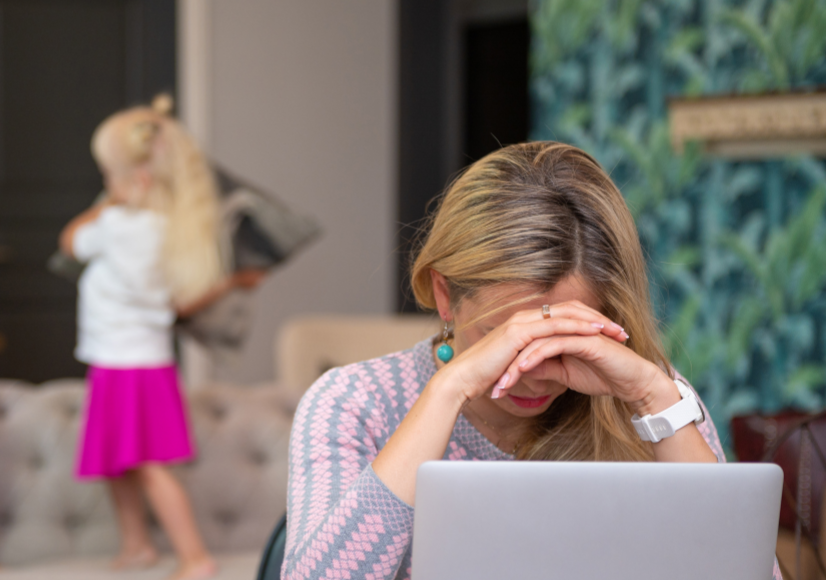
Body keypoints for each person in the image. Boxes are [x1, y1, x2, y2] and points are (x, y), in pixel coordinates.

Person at [280, 142, 781, 580]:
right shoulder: (354, 402)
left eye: (560, 340)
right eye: (505, 339)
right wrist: (448, 390)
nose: (535, 371)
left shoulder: (654, 400)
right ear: (445, 296)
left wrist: (656, 397)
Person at [59, 97, 248, 580]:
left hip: (122, 365)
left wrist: (103, 204)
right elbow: (178, 306)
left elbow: (69, 242)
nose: (105, 186)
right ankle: (138, 545)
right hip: (148, 362)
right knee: (119, 462)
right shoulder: (172, 232)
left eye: (109, 176)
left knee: (143, 465)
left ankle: (193, 557)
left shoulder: (115, 226)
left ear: (136, 182)